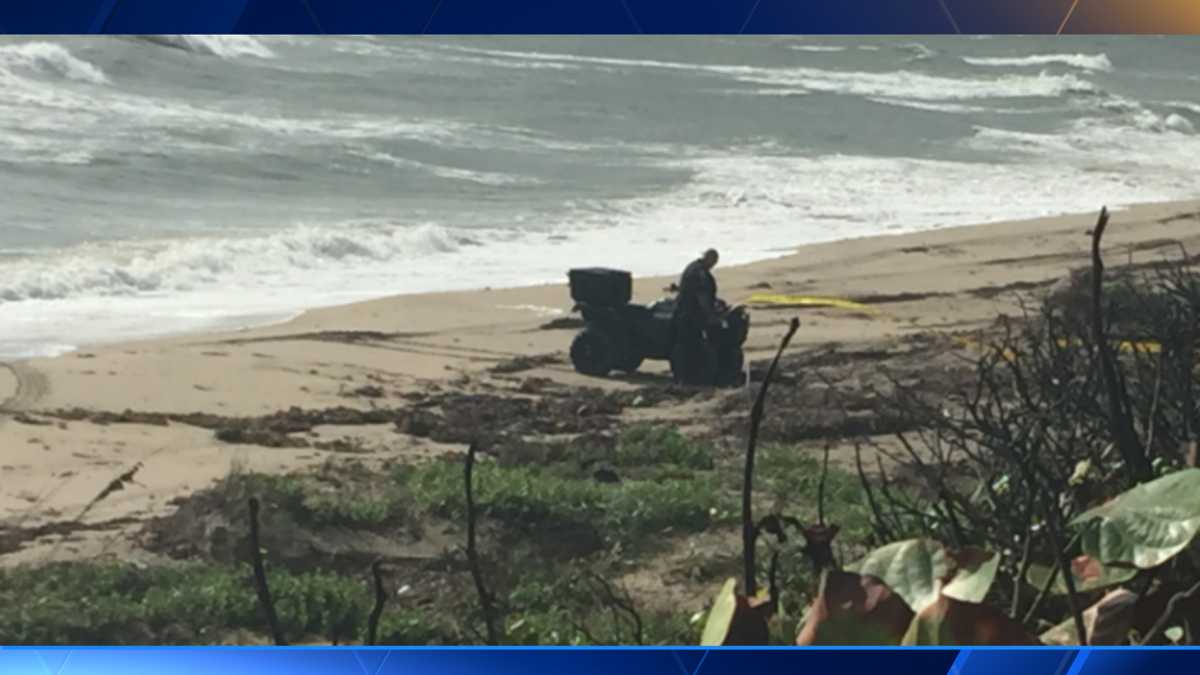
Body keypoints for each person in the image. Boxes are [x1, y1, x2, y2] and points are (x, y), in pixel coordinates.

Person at [672, 249, 722, 384]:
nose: (714, 265)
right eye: (714, 261)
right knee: (688, 345)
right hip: (690, 314)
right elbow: (702, 296)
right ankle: (685, 377)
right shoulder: (699, 273)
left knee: (686, 345)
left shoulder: (693, 267)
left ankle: (685, 376)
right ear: (709, 259)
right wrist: (711, 315)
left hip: (686, 312)